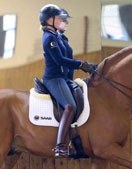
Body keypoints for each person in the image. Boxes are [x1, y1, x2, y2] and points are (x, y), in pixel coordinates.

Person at [39, 4, 95, 157]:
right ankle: (60, 146)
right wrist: (81, 64)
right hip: (54, 78)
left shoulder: (58, 36)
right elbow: (60, 60)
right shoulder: (49, 38)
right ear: (49, 20)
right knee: (69, 106)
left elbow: (68, 58)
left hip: (64, 78)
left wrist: (89, 66)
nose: (64, 22)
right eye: (60, 19)